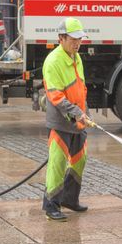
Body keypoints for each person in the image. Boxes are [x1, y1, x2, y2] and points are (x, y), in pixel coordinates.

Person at [42, 17, 93, 222]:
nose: (77, 43)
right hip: (61, 123)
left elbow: (80, 89)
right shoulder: (53, 61)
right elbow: (56, 96)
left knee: (80, 160)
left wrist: (85, 113)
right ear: (61, 38)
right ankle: (51, 206)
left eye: (80, 39)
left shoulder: (76, 57)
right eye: (73, 39)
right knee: (57, 164)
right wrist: (77, 113)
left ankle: (70, 199)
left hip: (77, 122)